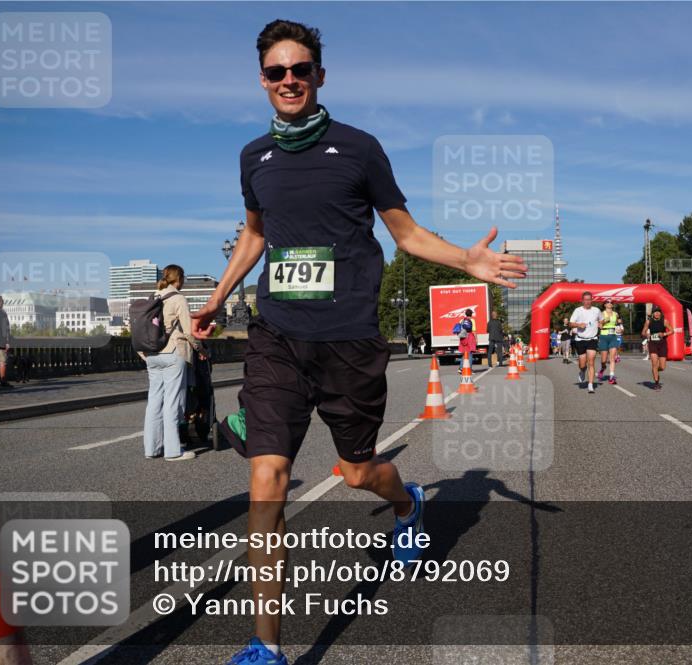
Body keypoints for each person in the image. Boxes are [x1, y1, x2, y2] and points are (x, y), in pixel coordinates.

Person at [190, 20, 527, 665]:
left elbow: (404, 234)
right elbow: (255, 238)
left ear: (320, 75)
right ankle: (266, 649)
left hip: (348, 340)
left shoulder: (359, 149)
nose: (288, 80)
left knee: (353, 474)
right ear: (261, 81)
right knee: (269, 477)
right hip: (277, 335)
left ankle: (408, 501)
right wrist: (215, 298)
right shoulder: (252, 158)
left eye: (300, 69)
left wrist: (465, 260)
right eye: (276, 72)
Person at [140, 265, 203, 461]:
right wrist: (200, 350)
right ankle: (173, 451)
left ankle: (152, 449)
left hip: (151, 355)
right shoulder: (178, 298)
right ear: (179, 279)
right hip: (173, 353)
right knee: (172, 402)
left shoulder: (152, 298)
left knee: (154, 401)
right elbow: (188, 331)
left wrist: (145, 355)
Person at [569, 291, 602, 393]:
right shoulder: (578, 311)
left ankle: (590, 384)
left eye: (589, 300)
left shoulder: (596, 310)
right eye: (585, 300)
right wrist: (579, 325)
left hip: (592, 339)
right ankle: (582, 371)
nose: (587, 302)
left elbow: (601, 319)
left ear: (592, 300)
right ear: (582, 300)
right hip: (580, 339)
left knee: (591, 362)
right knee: (582, 364)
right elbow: (570, 324)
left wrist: (601, 324)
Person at [641, 306, 674, 390]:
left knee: (662, 367)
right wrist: (646, 334)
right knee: (654, 363)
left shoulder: (664, 321)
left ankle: (656, 370)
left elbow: (672, 330)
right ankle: (656, 383)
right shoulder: (648, 322)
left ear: (661, 313)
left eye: (658, 311)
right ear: (653, 313)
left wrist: (664, 334)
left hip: (662, 344)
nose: (657, 313)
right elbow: (643, 332)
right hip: (653, 344)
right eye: (655, 312)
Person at [597, 299, 622, 385]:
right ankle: (602, 369)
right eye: (608, 302)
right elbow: (599, 326)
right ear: (604, 305)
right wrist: (604, 321)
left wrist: (620, 328)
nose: (610, 304)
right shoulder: (601, 314)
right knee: (604, 360)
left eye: (611, 303)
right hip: (604, 336)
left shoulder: (616, 314)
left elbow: (619, 325)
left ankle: (611, 377)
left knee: (612, 358)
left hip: (613, 337)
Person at [456, 308, 477, 373]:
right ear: (471, 314)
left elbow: (458, 330)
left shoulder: (461, 320)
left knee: (464, 353)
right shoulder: (472, 320)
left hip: (463, 338)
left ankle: (461, 368)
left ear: (465, 314)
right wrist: (476, 339)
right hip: (469, 337)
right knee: (470, 353)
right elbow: (474, 331)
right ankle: (469, 369)